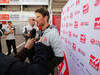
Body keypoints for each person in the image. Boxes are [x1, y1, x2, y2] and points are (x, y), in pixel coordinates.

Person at [35, 8, 64, 74]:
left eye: (38, 17)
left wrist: (44, 68)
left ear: (46, 18)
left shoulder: (53, 33)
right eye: (35, 17)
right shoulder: (41, 31)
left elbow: (60, 57)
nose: (36, 19)